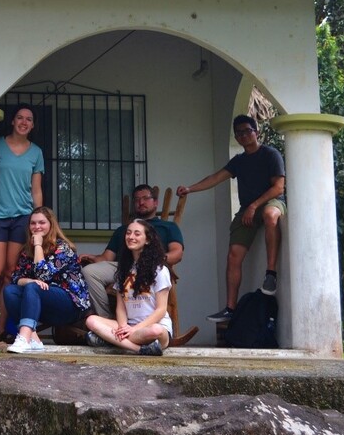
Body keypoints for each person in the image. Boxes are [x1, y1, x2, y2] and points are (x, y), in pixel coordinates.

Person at [177, 114, 285, 322]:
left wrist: (254, 205)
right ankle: (230, 309)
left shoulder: (271, 154)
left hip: (270, 203)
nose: (243, 136)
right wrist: (190, 189)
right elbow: (216, 178)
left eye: (247, 131)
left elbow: (279, 187)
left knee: (271, 215)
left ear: (256, 132)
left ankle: (270, 274)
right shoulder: (239, 161)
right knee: (233, 255)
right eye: (239, 133)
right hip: (247, 210)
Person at [80, 184, 185, 319]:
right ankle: (106, 319)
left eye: (146, 198)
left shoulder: (168, 227)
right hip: (123, 266)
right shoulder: (122, 230)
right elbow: (107, 257)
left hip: (152, 267)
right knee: (89, 272)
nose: (141, 202)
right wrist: (92, 257)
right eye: (137, 200)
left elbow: (177, 253)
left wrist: (154, 260)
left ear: (155, 203)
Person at [3, 206, 90, 354]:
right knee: (10, 291)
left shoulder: (63, 248)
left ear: (51, 224)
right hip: (41, 305)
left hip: (70, 305)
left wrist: (37, 245)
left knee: (33, 288)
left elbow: (44, 275)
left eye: (41, 222)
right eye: (33, 223)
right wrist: (30, 281)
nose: (37, 227)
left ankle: (23, 337)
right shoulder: (26, 251)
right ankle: (33, 337)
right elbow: (16, 278)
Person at [0, 104, 44, 335]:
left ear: (32, 125)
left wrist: (40, 221)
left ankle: (0, 330)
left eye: (28, 119)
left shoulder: (36, 152)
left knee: (11, 273)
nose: (24, 122)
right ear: (12, 121)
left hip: (22, 216)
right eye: (20, 118)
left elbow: (36, 190)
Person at [85, 219, 171, 356]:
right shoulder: (124, 269)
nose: (131, 237)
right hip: (129, 326)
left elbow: (161, 310)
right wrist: (123, 326)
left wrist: (134, 329)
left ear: (147, 240)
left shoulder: (160, 270)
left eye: (137, 234)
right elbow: (121, 307)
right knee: (91, 321)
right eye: (128, 233)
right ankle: (139, 349)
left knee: (155, 331)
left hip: (152, 327)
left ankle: (110, 339)